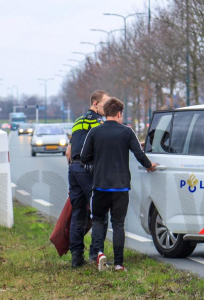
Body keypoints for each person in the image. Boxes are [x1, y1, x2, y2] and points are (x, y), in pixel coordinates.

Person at [81, 97, 157, 272]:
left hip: (100, 186)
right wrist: (149, 166)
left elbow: (85, 157)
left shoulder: (95, 132)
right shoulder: (127, 132)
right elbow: (139, 153)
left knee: (99, 221)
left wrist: (98, 160)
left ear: (106, 113)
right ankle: (118, 264)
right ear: (118, 113)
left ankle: (100, 253)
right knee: (118, 224)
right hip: (121, 187)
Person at [66, 90, 109, 268]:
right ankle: (95, 254)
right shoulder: (98, 122)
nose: (107, 108)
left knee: (79, 213)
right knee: (100, 212)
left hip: (73, 169)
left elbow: (68, 152)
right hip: (88, 169)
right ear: (95, 104)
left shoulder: (77, 121)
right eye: (105, 104)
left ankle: (76, 257)